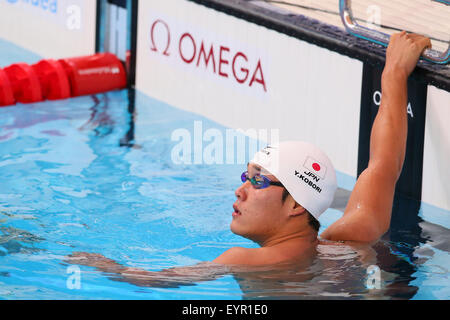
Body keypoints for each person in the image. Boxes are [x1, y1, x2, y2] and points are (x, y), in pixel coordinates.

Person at [67, 32, 432, 287]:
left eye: (258, 180)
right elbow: (382, 166)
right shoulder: (353, 238)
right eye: (248, 175)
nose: (240, 190)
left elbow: (154, 281)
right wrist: (394, 71)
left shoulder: (246, 260)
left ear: (294, 205)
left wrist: (93, 263)